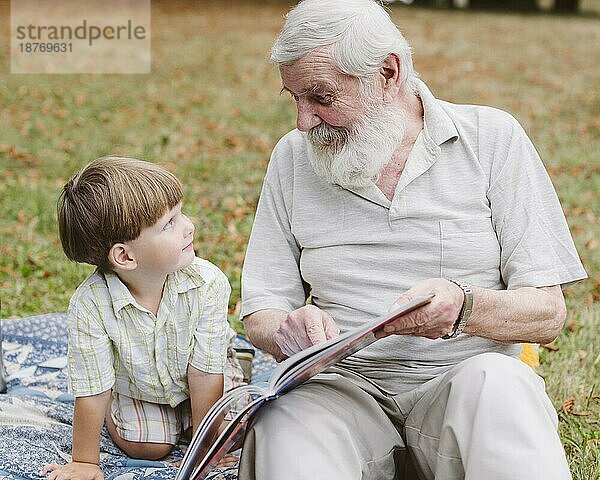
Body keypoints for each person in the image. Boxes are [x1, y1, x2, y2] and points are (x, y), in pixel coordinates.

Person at [239, 1, 587, 479]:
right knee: (285, 425)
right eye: (294, 98)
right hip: (342, 391)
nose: (303, 121)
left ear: (388, 71)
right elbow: (262, 307)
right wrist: (286, 328)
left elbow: (547, 314)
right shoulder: (294, 158)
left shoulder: (491, 139)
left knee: (501, 386)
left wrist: (464, 308)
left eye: (321, 97)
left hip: (463, 387)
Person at [42, 157, 244, 480]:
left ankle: (217, 391)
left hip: (203, 378)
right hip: (142, 387)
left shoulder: (207, 283)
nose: (189, 225)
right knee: (146, 444)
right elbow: (92, 390)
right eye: (170, 223)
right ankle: (120, 407)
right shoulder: (91, 305)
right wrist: (85, 461)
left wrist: (206, 449)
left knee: (239, 428)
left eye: (181, 213)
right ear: (125, 256)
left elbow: (205, 375)